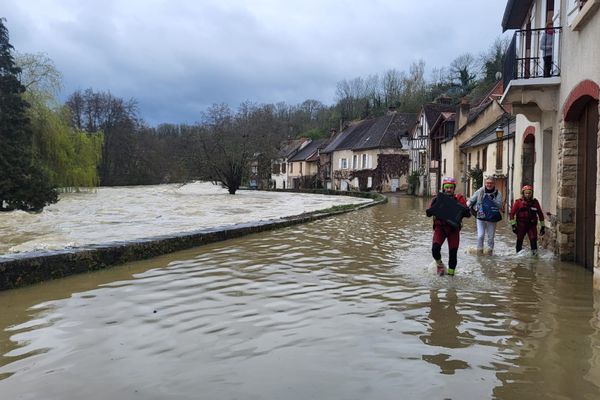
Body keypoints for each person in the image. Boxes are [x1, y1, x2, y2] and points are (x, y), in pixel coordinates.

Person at [426, 177, 471, 276]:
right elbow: (429, 213)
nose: (449, 189)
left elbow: (468, 214)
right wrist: (430, 211)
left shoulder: (459, 199)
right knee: (435, 249)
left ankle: (451, 275)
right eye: (447, 187)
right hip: (440, 228)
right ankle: (440, 264)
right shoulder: (437, 199)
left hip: (453, 230)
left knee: (453, 253)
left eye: (451, 187)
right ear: (443, 188)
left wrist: (465, 211)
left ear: (454, 188)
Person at [467, 177, 503, 255]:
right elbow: (471, 200)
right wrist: (466, 208)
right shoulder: (480, 191)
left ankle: (490, 254)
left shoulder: (498, 193)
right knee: (480, 236)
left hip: (492, 217)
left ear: (494, 184)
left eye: (491, 183)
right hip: (481, 216)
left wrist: (492, 199)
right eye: (487, 183)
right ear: (485, 183)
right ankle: (479, 254)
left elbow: (500, 205)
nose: (489, 184)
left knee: (491, 238)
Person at [509, 185, 545, 254]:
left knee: (533, 241)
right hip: (521, 225)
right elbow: (511, 214)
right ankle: (518, 256)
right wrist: (513, 225)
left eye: (529, 193)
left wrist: (542, 226)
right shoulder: (518, 202)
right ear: (523, 193)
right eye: (526, 193)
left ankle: (534, 259)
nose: (528, 195)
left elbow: (540, 214)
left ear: (532, 193)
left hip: (531, 225)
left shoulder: (535, 202)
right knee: (519, 240)